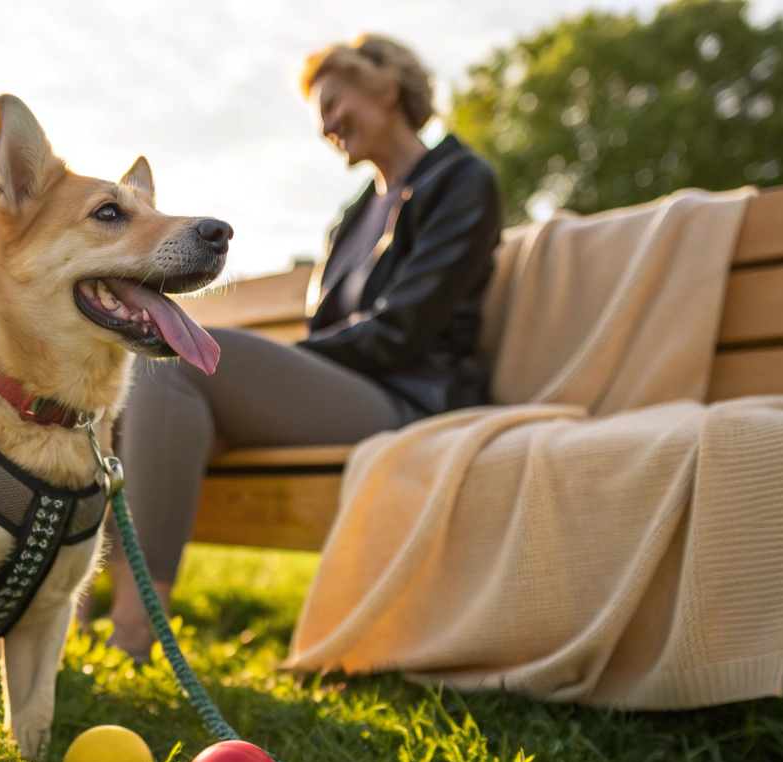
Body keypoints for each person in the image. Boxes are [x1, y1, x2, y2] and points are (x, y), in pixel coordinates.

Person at [102, 34, 503, 657]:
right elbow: (324, 330)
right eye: (321, 116)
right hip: (350, 391)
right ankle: (79, 609)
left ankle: (132, 633)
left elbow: (402, 331)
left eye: (335, 103)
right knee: (141, 394)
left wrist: (279, 368)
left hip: (412, 401)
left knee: (173, 366)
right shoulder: (352, 216)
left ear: (387, 86)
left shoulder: (463, 182)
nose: (328, 125)